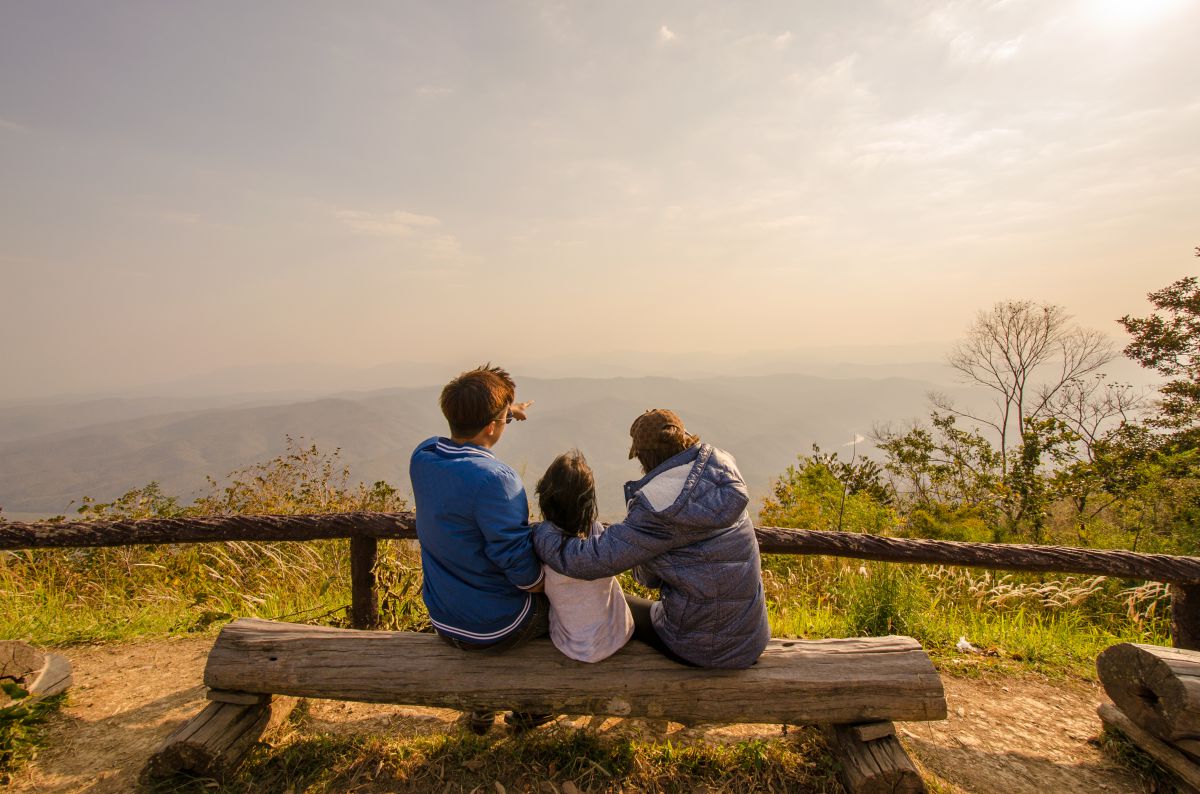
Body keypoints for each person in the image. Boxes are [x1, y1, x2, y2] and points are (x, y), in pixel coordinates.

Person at [533, 409, 770, 669]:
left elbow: (589, 561)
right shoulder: (720, 473)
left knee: (619, 608)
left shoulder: (659, 507)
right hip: (751, 636)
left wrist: (542, 533)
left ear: (644, 457)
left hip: (704, 648)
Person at [409, 363, 549, 734]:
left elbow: (472, 430)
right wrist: (546, 586)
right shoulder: (497, 480)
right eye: (504, 418)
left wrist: (507, 413)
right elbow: (519, 567)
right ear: (491, 426)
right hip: (494, 626)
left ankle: (481, 705)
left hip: (444, 616)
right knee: (571, 609)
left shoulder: (423, 456)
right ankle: (533, 709)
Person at [534, 450, 634, 663]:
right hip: (616, 636)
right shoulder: (598, 534)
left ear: (546, 497)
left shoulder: (540, 542)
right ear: (588, 503)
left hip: (571, 644)